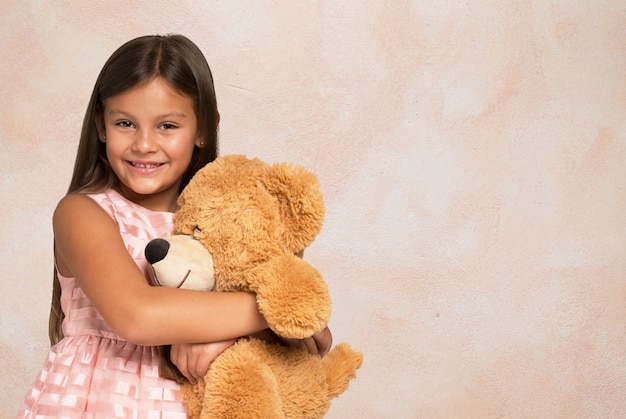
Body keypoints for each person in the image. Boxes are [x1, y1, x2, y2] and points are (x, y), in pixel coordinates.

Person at [18, 34, 331, 417]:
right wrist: (270, 315)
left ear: (202, 129)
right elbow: (138, 316)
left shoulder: (228, 224)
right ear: (101, 125)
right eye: (125, 123)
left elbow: (315, 337)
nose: (145, 144)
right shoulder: (83, 213)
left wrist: (250, 329)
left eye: (167, 125)